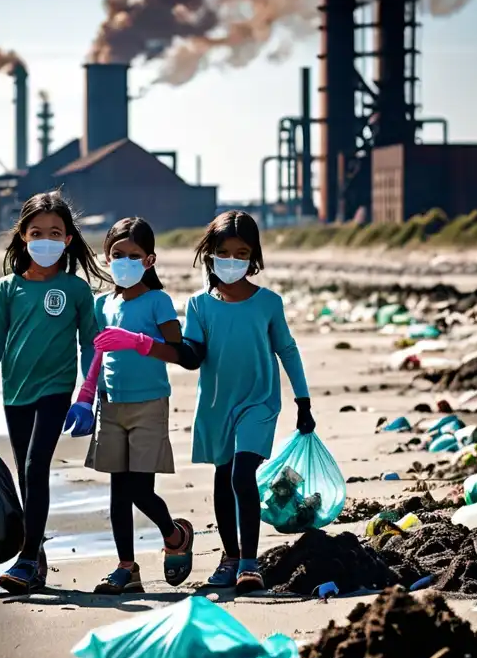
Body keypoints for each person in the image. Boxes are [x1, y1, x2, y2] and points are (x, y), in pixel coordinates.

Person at [94, 210, 315, 595]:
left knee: (242, 476)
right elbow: (191, 354)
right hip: (215, 405)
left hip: (259, 403)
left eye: (241, 253)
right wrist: (153, 348)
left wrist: (303, 399)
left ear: (254, 256)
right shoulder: (199, 305)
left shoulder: (268, 303)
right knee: (221, 478)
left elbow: (287, 350)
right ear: (210, 254)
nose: (232, 261)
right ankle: (229, 557)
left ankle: (248, 563)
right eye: (224, 252)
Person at [0, 190, 110, 595]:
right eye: (37, 231)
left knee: (37, 466)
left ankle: (25, 559)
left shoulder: (76, 291)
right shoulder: (8, 289)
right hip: (15, 392)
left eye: (55, 233)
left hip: (55, 390)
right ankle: (36, 554)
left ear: (68, 240)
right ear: (23, 236)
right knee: (26, 473)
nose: (46, 239)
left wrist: (86, 397)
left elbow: (91, 343)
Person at [65, 218, 194, 595]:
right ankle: (126, 567)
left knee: (140, 490)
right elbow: (97, 355)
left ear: (149, 260)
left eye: (133, 256)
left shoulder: (159, 301)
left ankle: (175, 535)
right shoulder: (103, 303)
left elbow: (182, 354)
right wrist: (85, 398)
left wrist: (140, 342)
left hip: (149, 405)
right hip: (110, 406)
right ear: (106, 258)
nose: (124, 261)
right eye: (117, 255)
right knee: (117, 493)